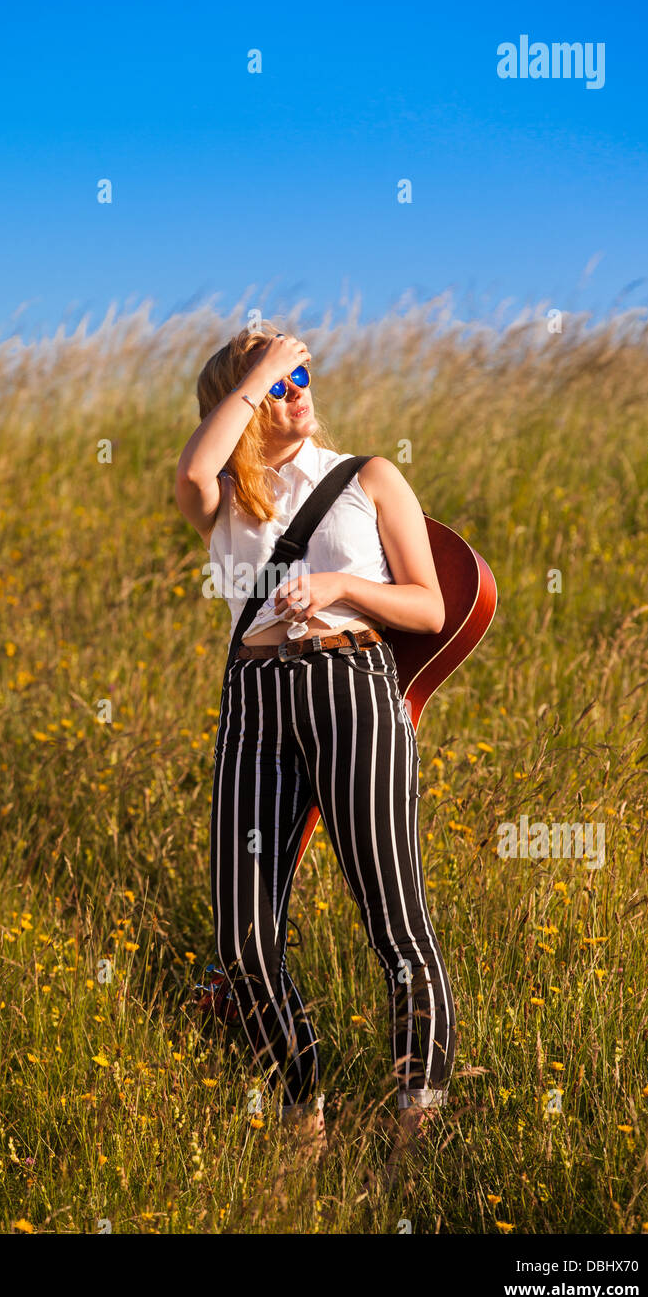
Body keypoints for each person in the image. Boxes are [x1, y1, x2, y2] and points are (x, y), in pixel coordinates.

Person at [175, 323, 457, 1163]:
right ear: (247, 404)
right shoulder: (225, 500)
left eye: (300, 378)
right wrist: (256, 375)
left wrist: (339, 586)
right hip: (256, 702)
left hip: (351, 689)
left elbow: (430, 608)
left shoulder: (370, 477)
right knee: (243, 937)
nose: (298, 393)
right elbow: (194, 466)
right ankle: (302, 1101)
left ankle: (419, 1119)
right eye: (277, 387)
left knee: (393, 916)